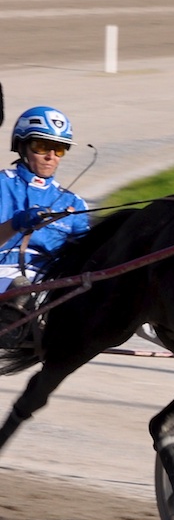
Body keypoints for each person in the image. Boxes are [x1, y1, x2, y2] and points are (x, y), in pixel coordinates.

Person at [0, 106, 91, 345]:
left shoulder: (74, 202)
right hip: (5, 273)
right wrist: (16, 223)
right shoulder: (1, 185)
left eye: (59, 149)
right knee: (22, 287)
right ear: (22, 145)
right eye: (41, 147)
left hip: (50, 281)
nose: (51, 156)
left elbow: (87, 257)